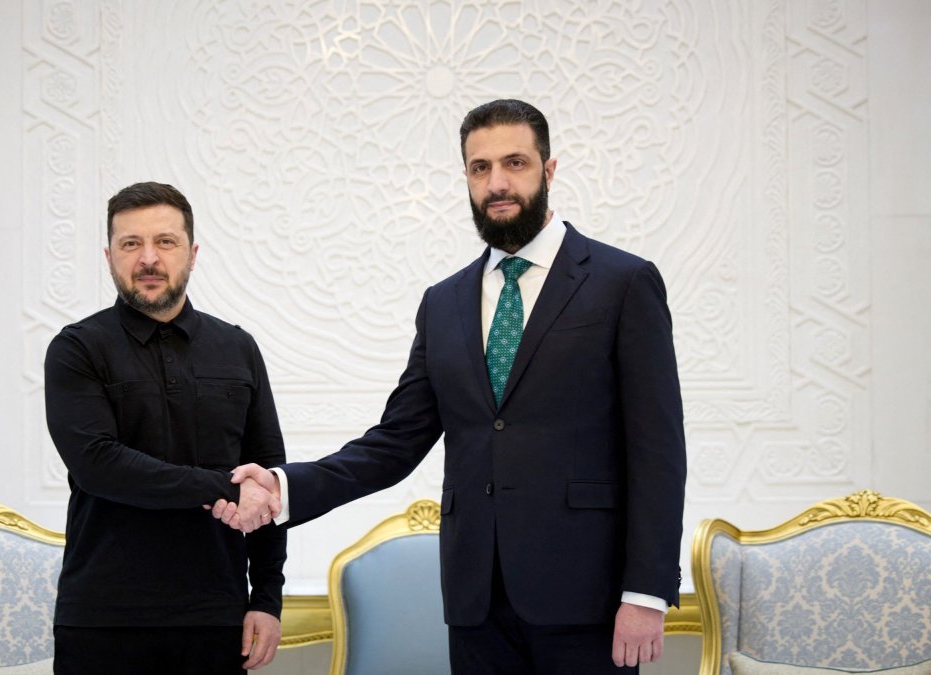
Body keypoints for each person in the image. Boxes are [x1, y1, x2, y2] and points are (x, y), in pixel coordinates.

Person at [216, 99, 686, 673]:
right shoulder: (443, 303)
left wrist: (646, 591)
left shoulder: (623, 282)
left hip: (590, 599)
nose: (497, 183)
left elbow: (658, 450)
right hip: (475, 601)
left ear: (549, 170)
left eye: (515, 163)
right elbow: (395, 442)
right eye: (480, 167)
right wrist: (284, 487)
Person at [44, 181, 286, 674]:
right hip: (104, 620)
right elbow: (99, 465)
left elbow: (267, 477)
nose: (148, 258)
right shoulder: (77, 348)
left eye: (166, 242)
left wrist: (266, 598)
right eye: (131, 243)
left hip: (217, 616)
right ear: (109, 257)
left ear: (192, 254)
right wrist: (222, 487)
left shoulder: (238, 348)